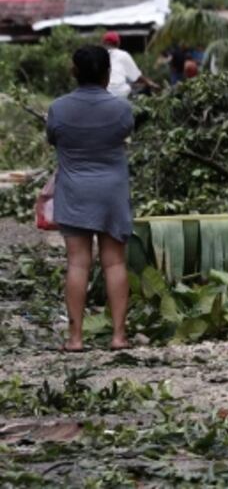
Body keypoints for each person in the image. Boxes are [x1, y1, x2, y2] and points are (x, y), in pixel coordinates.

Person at [46, 45, 135, 351]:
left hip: (74, 191)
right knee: (114, 263)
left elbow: (54, 139)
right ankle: (119, 336)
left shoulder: (58, 108)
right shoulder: (122, 109)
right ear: (107, 74)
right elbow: (122, 134)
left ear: (74, 72)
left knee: (77, 264)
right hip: (111, 191)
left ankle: (75, 338)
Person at [101, 32, 160, 98]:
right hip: (120, 94)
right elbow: (137, 77)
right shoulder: (123, 55)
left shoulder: (98, 55)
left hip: (101, 94)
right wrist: (151, 84)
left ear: (103, 43)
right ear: (118, 43)